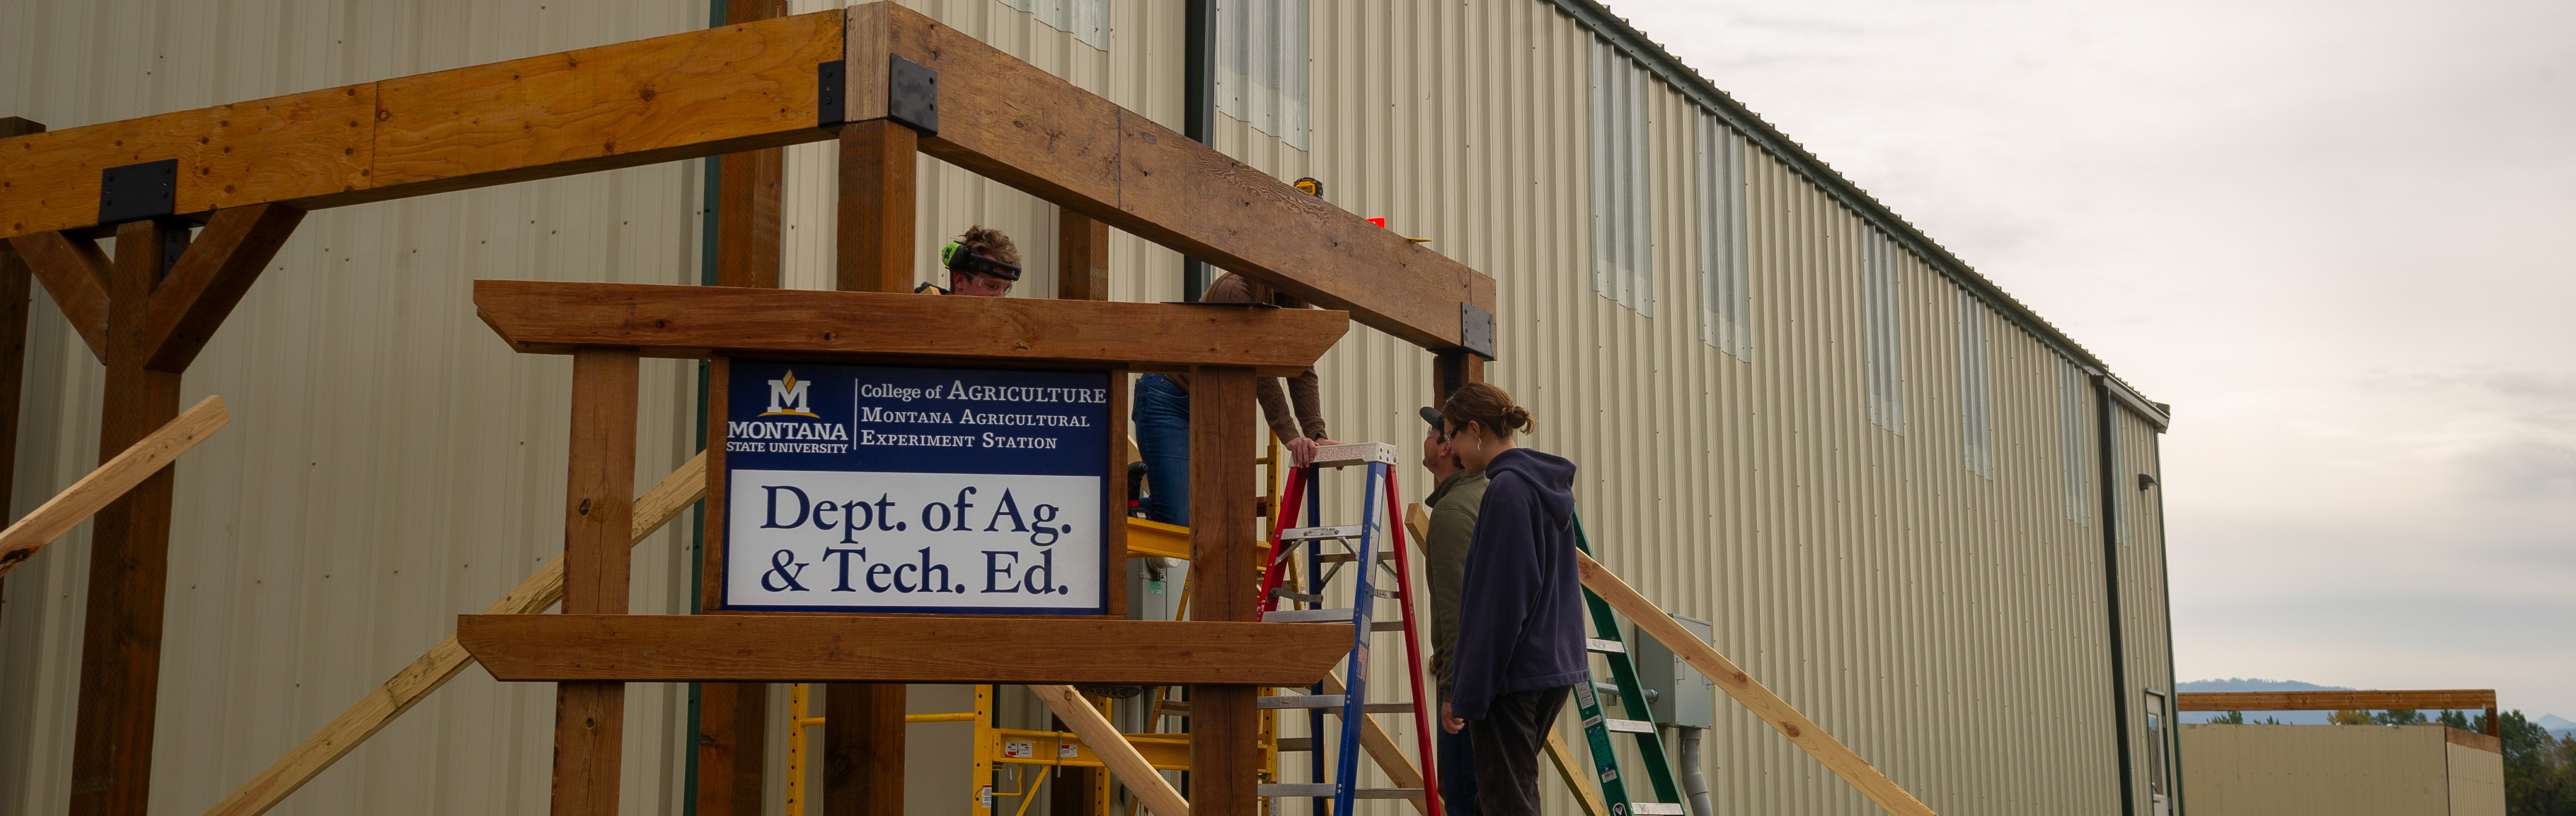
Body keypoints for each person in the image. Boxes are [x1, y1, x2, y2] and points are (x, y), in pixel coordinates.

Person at [1436, 383, 1583, 816]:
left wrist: (1469, 691)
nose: (1451, 449)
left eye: (1452, 435)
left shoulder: (1507, 490)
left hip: (1513, 676)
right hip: (1550, 667)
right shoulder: (1541, 487)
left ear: (1475, 430)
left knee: (1507, 803)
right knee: (1506, 794)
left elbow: (1501, 603)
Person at [1129, 271, 1337, 525]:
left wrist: (1317, 434)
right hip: (1168, 398)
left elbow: (1302, 366)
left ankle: (1128, 505)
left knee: (1211, 514)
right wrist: (1290, 435)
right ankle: (1120, 506)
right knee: (1179, 517)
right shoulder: (1234, 289)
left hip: (1211, 406)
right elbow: (1255, 367)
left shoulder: (1295, 299)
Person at [1418, 406, 1490, 816]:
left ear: (1447, 448)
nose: (1427, 439)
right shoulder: (1488, 495)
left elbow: (1458, 609)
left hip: (1468, 688)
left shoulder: (1451, 512)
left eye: (1433, 433)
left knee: (1465, 803)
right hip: (1499, 683)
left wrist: (1453, 692)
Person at [917, 225, 1021, 297]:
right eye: (992, 286)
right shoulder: (917, 316)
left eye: (1005, 289)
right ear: (960, 280)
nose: (1001, 297)